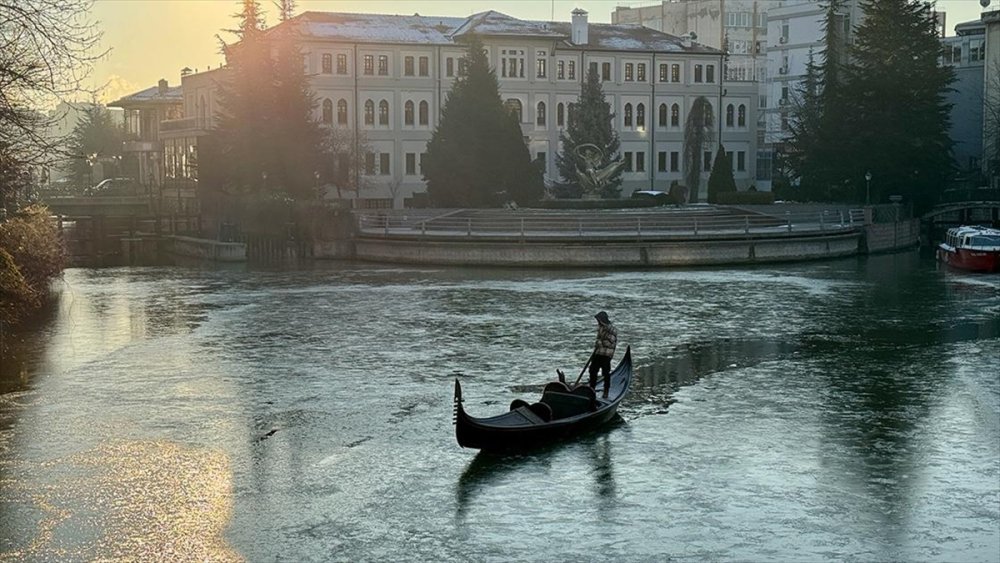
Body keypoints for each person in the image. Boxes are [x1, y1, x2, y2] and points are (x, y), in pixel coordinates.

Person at [589, 311, 618, 398]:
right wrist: (598, 343)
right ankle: (592, 389)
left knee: (605, 373)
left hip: (606, 354)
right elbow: (599, 340)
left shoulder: (612, 330)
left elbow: (610, 343)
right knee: (592, 370)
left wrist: (599, 342)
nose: (598, 322)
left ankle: (606, 390)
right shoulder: (600, 328)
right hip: (598, 353)